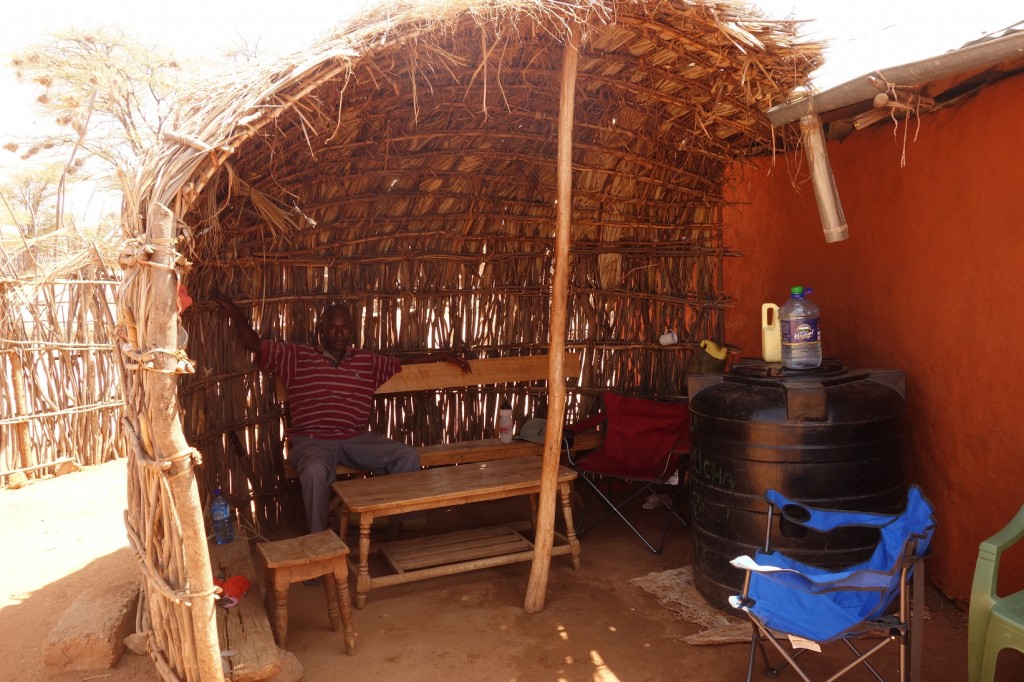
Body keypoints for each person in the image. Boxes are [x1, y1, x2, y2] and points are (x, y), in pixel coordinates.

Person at [212, 293, 471, 537]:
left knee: (407, 456)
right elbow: (255, 344)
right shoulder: (296, 356)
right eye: (332, 327)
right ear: (321, 328)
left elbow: (401, 361)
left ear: (352, 329)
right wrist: (236, 313)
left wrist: (440, 355)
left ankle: (398, 529)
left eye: (344, 327)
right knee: (313, 471)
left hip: (356, 439)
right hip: (312, 441)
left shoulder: (366, 361)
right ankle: (320, 544)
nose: (338, 334)